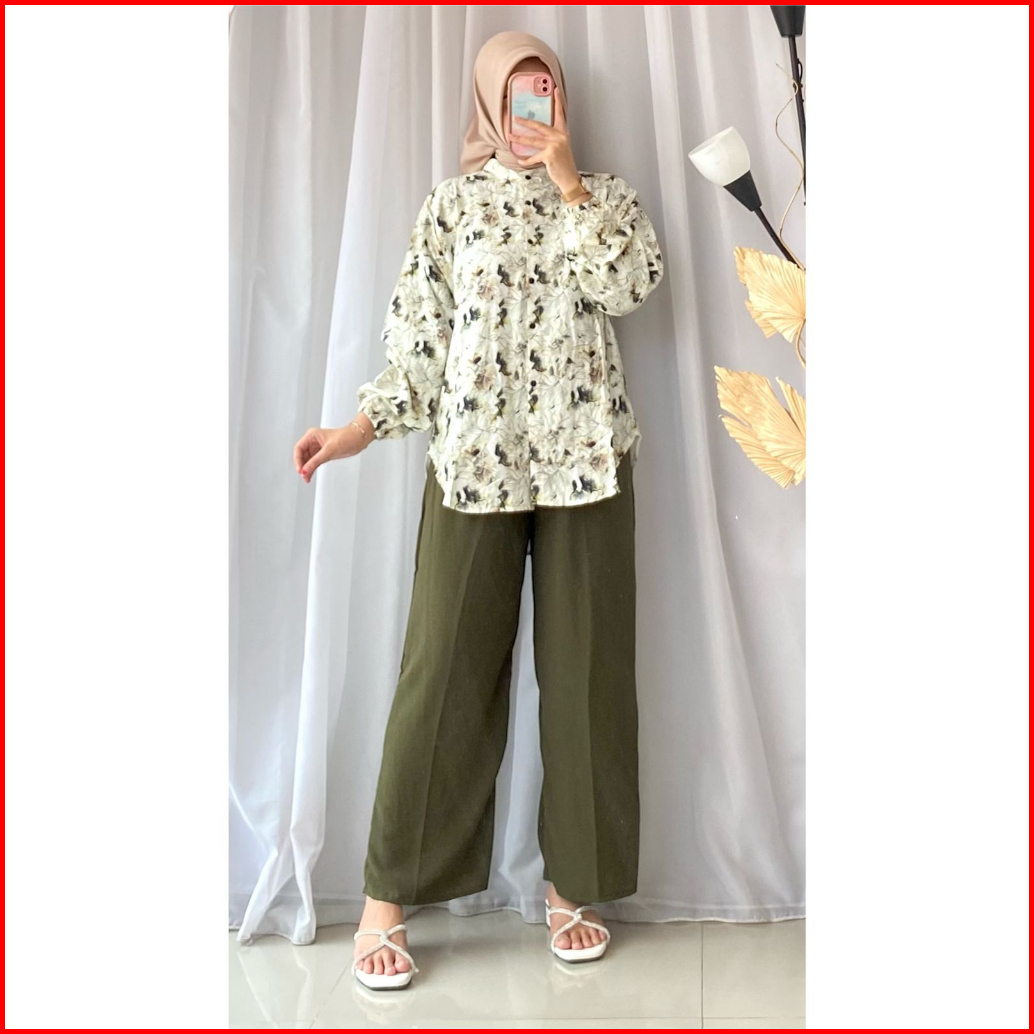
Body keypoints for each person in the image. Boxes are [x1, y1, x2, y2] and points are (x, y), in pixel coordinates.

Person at [292, 30, 663, 991]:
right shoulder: (451, 207)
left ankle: (573, 888)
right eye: (519, 95)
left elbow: (629, 287)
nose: (534, 109)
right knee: (442, 674)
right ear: (492, 105)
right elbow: (419, 343)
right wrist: (354, 430)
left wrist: (572, 186)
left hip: (587, 466)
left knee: (586, 679)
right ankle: (387, 898)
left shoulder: (606, 199)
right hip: (473, 466)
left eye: (548, 92)